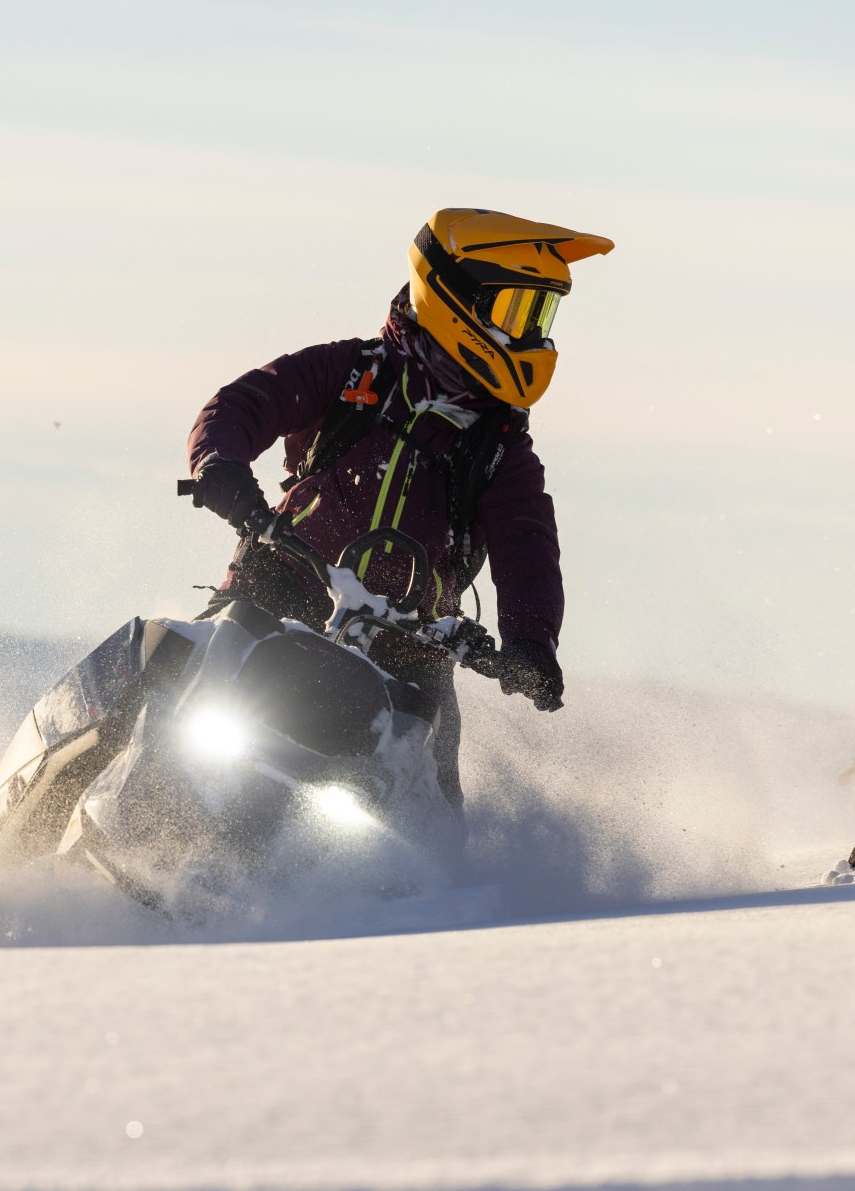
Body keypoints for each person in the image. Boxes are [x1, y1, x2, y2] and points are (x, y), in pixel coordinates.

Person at [183, 208, 612, 808]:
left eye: (538, 315)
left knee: (430, 807)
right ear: (453, 297)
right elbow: (247, 401)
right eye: (514, 311)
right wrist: (219, 466)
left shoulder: (500, 450)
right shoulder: (351, 371)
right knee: (170, 692)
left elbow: (527, 543)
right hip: (276, 589)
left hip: (412, 649)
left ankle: (426, 897)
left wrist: (530, 642)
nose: (528, 334)